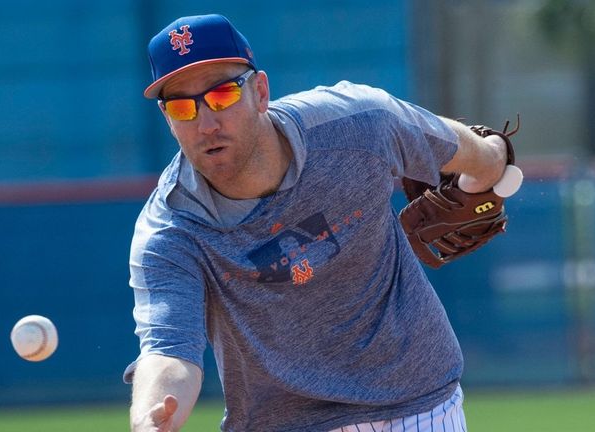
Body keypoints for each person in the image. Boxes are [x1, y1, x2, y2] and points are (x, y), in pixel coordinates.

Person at [126, 13, 508, 432]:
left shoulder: (356, 125)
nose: (206, 123)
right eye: (182, 107)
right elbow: (168, 351)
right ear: (168, 119)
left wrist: (491, 162)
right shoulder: (171, 231)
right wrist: (149, 418)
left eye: (221, 96)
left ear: (260, 92)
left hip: (416, 405)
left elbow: (469, 152)